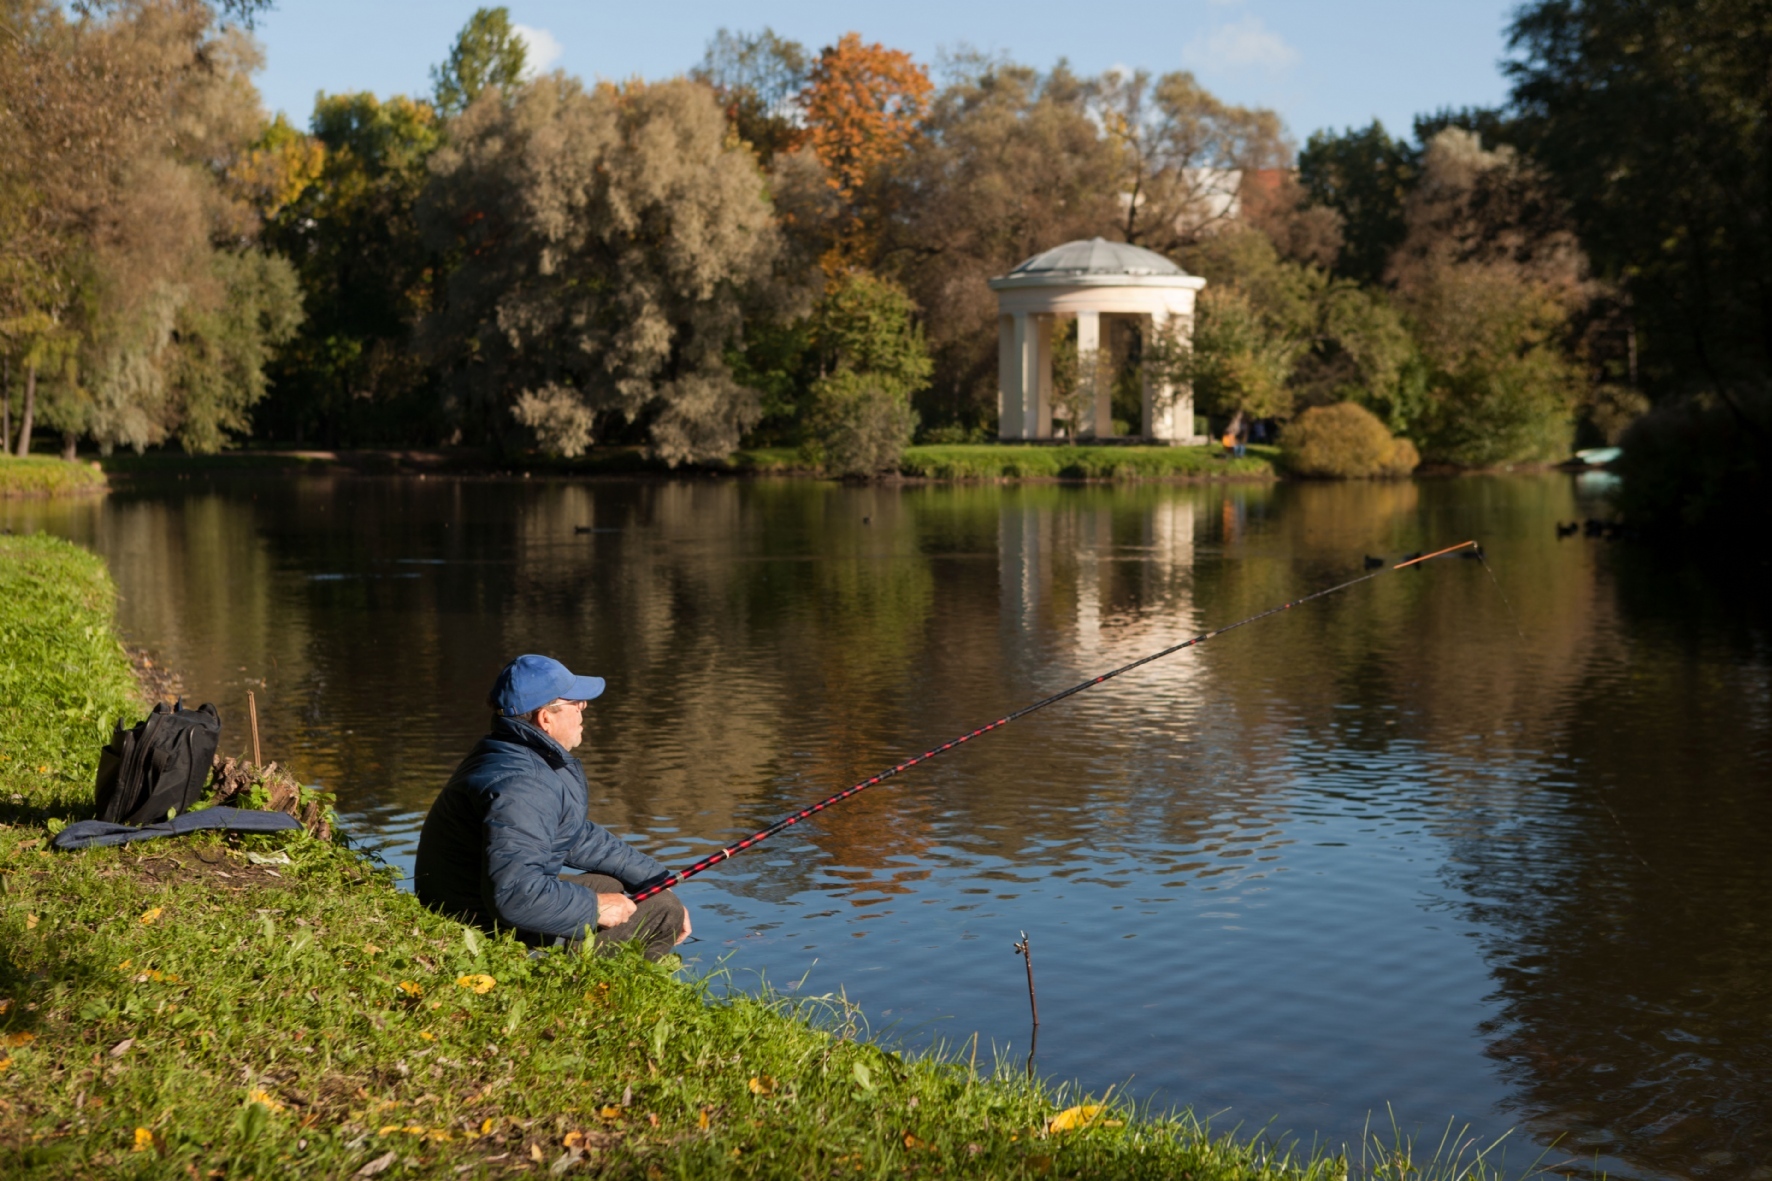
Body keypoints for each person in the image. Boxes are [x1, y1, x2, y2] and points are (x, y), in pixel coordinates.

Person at [414, 654, 690, 960]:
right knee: (663, 912)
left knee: (616, 886)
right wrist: (595, 908)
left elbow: (575, 834)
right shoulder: (524, 784)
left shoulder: (510, 752)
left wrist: (659, 880)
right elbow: (516, 897)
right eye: (574, 701)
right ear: (546, 718)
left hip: (476, 904)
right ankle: (623, 994)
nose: (583, 706)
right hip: (480, 931)